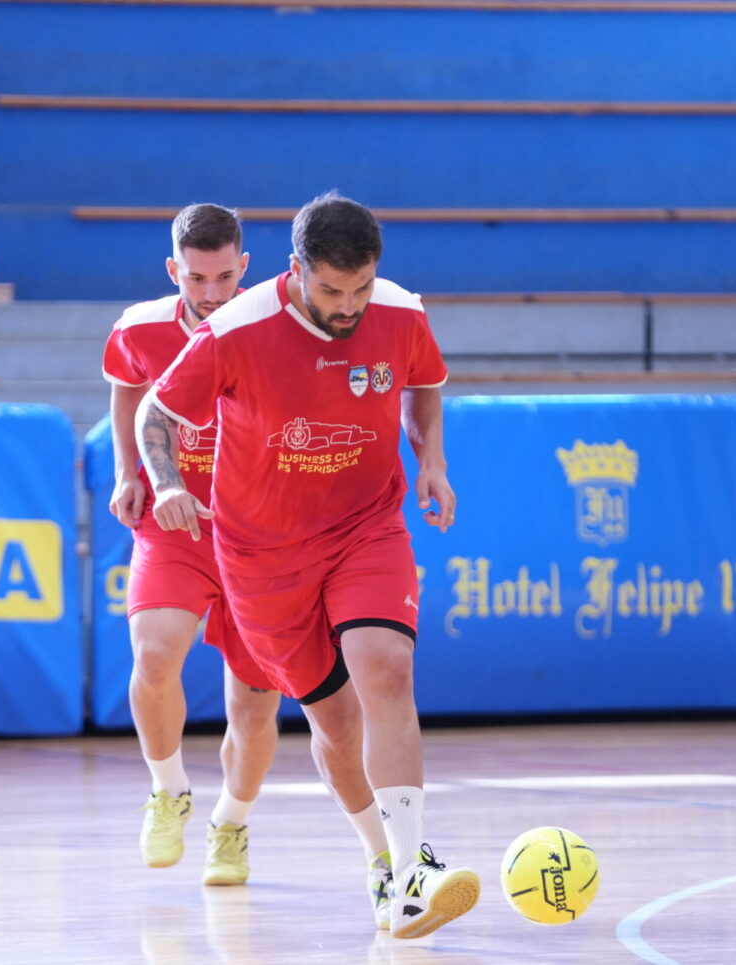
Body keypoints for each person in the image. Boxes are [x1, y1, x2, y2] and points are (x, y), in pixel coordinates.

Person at [135, 191, 479, 939]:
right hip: (263, 555)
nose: (349, 306)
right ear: (296, 270)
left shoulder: (400, 312)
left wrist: (433, 462)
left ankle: (414, 863)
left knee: (386, 664)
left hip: (366, 525)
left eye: (360, 288)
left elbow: (424, 384)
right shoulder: (237, 329)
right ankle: (382, 864)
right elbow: (154, 413)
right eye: (331, 289)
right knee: (334, 719)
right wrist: (163, 483)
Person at [101, 203, 282, 887]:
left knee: (255, 706)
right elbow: (127, 393)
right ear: (173, 268)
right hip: (174, 520)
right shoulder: (139, 328)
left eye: (222, 277)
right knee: (152, 657)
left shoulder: (271, 326)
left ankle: (231, 824)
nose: (209, 293)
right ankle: (168, 787)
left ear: (244, 268)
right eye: (195, 277)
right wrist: (129, 472)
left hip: (260, 533)